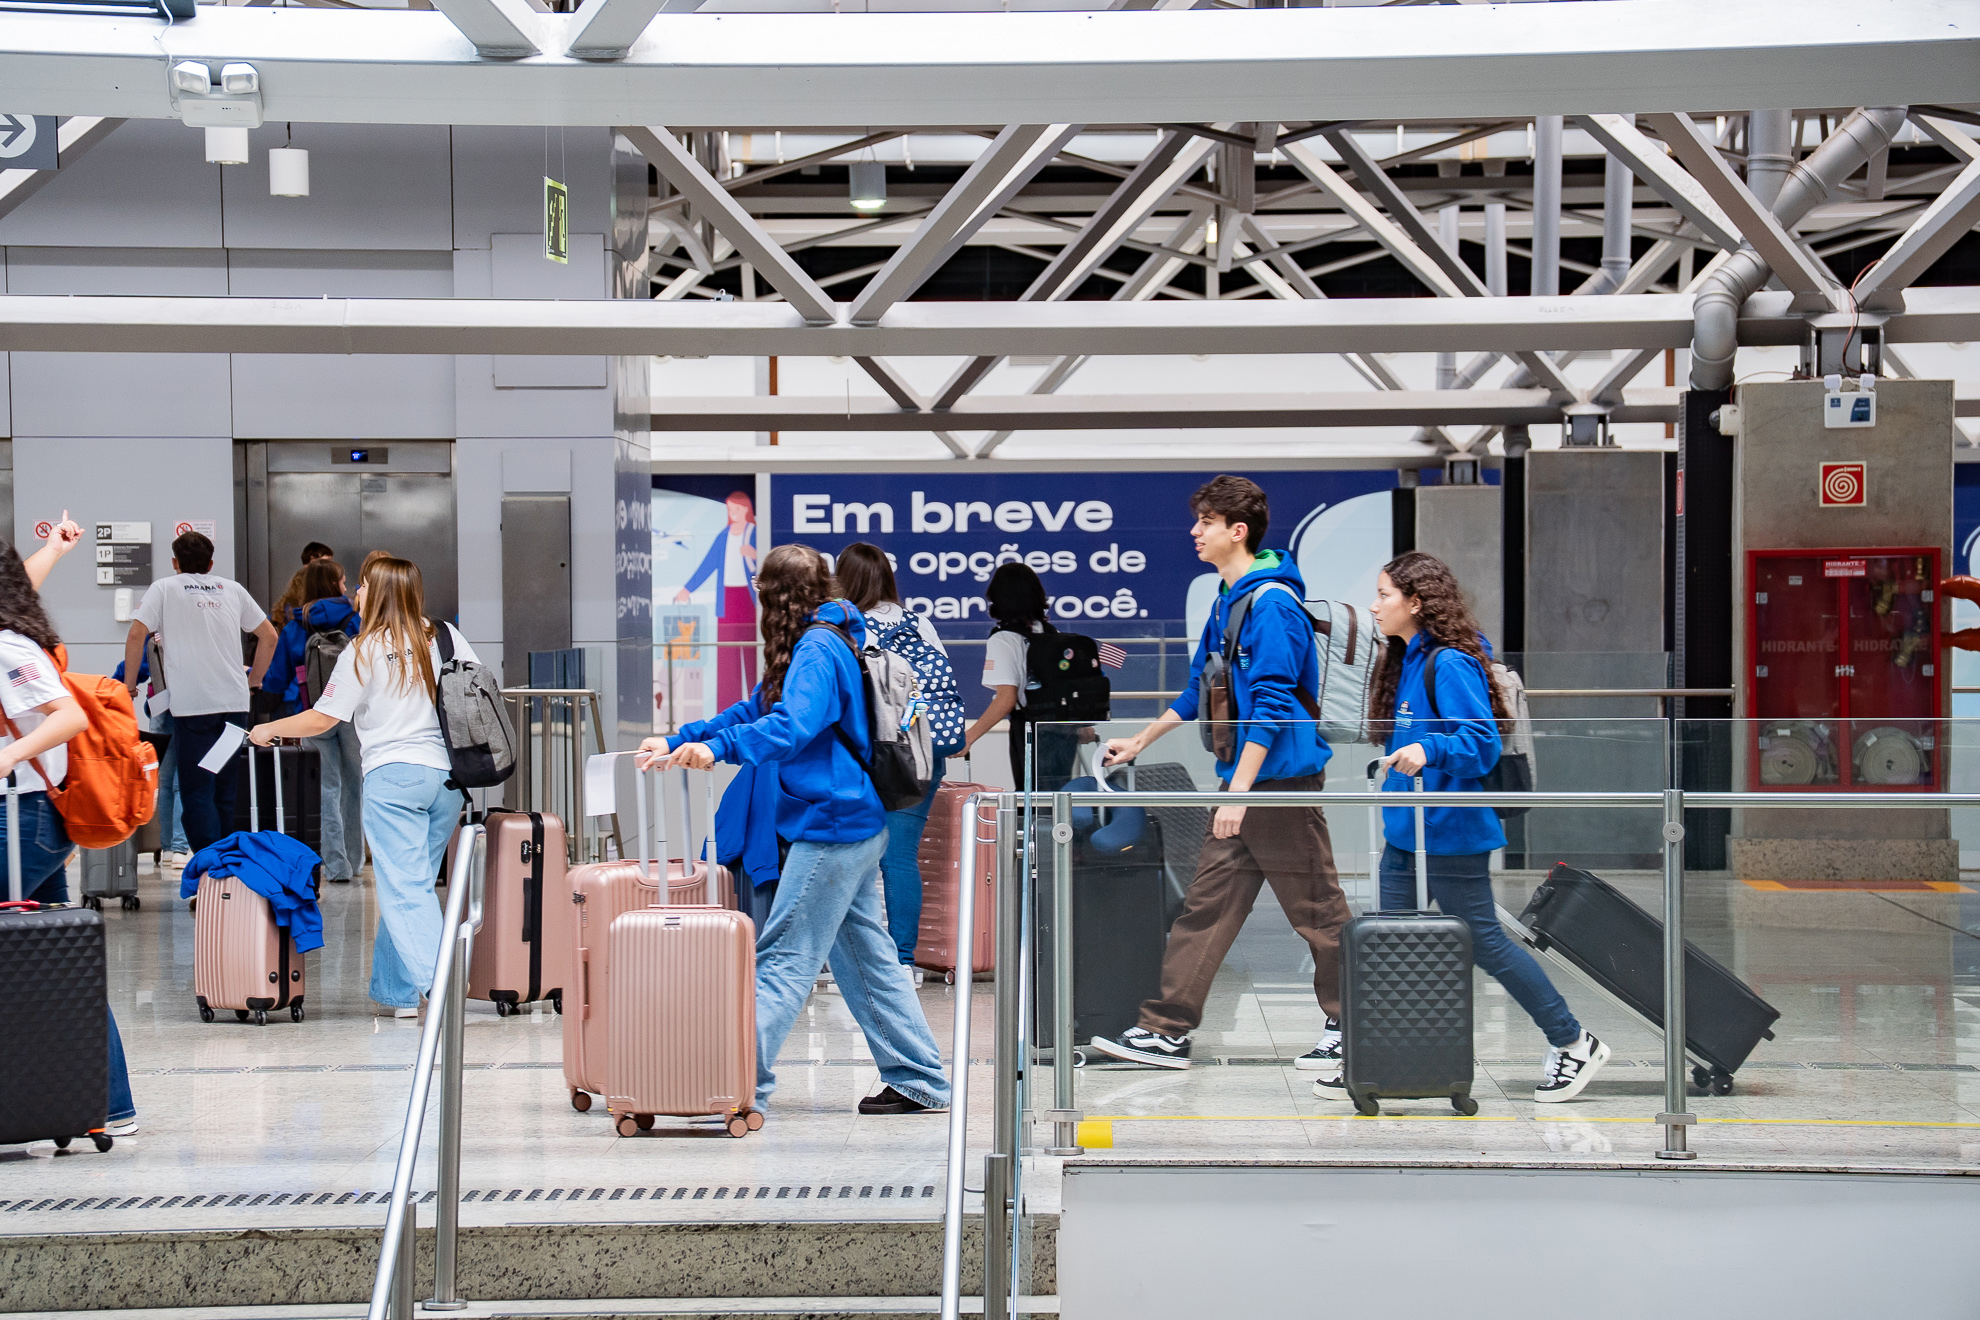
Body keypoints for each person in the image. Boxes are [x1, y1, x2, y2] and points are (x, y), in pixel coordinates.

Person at [639, 543, 950, 1118]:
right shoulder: (826, 641)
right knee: (867, 958)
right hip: (852, 821)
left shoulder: (817, 648)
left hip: (831, 826)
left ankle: (732, 1084)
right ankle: (919, 1078)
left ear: (773, 597)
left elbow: (792, 726)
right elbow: (755, 709)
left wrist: (719, 749)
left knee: (783, 957)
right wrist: (685, 737)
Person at [1313, 551, 1611, 1106]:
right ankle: (1370, 1056)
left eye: (1384, 595)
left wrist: (1429, 747)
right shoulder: (1409, 658)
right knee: (1387, 946)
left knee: (1487, 945)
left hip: (1449, 831)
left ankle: (1572, 1039)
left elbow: (1479, 743)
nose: (1374, 606)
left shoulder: (1449, 662)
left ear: (1416, 602)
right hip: (1408, 834)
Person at [1085, 476, 1350, 1070]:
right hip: (1246, 784)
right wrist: (1140, 740)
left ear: (1238, 530)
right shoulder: (1226, 600)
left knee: (1317, 911)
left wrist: (1239, 791)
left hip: (1276, 786)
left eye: (1205, 522)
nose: (1193, 531)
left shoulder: (1275, 605)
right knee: (1206, 908)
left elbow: (1274, 705)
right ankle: (1167, 1029)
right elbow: (1198, 690)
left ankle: (1358, 1024)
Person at [248, 557, 469, 1019]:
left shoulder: (364, 649)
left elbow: (325, 716)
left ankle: (441, 988)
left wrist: (270, 729)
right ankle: (397, 993)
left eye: (365, 586)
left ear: (382, 593)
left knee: (405, 890)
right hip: (447, 780)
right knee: (413, 884)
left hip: (394, 780)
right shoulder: (445, 636)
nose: (358, 595)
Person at [0, 513, 139, 1137]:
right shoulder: (10, 628)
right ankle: (105, 1105)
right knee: (62, 959)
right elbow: (20, 583)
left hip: (21, 820)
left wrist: (4, 756)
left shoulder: (4, 645)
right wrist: (50, 549)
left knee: (51, 956)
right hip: (37, 817)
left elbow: (66, 719)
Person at [836, 542, 957, 980]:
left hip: (866, 757)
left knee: (849, 854)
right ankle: (904, 961)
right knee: (901, 856)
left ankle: (854, 958)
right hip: (920, 754)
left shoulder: (845, 628)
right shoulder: (918, 623)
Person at [124, 532, 276, 857]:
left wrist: (128, 685)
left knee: (196, 790)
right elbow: (269, 636)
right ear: (210, 563)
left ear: (174, 563)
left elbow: (137, 634)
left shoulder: (164, 588)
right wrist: (255, 680)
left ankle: (209, 866)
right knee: (225, 788)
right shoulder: (232, 589)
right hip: (234, 708)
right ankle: (227, 863)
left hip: (193, 710)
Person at [261, 559, 363, 883]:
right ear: (333, 585)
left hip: (310, 711)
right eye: (343, 581)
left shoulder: (294, 625)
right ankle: (356, 861)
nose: (346, 587)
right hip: (351, 712)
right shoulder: (355, 622)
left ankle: (335, 866)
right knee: (354, 786)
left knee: (325, 789)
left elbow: (276, 679)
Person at [959, 562, 1077, 793]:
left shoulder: (1003, 640)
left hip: (1030, 729)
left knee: (1033, 802)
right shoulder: (1053, 634)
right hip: (1063, 731)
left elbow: (1006, 698)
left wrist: (970, 736)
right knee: (1061, 800)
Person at [677, 491, 759, 711]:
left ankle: (757, 705)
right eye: (730, 509)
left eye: (738, 509)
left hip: (748, 600)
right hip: (727, 600)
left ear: (747, 510)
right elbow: (708, 564)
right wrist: (687, 588)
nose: (733, 513)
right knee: (727, 658)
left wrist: (754, 555)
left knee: (752, 655)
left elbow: (771, 566)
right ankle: (727, 710)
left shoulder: (754, 533)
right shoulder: (724, 535)